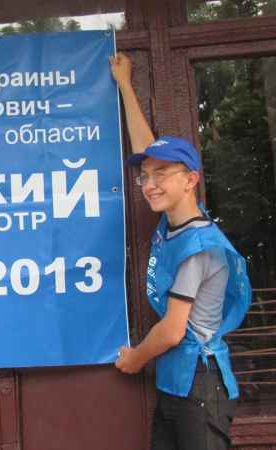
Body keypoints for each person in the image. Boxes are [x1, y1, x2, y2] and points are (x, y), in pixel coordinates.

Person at [109, 52, 251, 449]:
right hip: (179, 383)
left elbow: (173, 331)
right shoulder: (180, 217)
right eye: (144, 177)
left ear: (191, 180)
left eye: (161, 175)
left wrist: (135, 358)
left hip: (200, 385)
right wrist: (125, 85)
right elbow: (149, 149)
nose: (150, 184)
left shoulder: (198, 246)